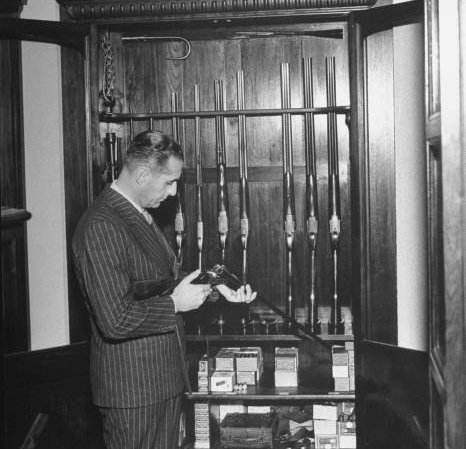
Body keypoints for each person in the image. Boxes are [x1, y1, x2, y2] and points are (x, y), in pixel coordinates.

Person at [72, 130, 256, 449]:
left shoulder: (137, 214)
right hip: (133, 392)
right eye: (169, 182)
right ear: (142, 174)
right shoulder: (102, 225)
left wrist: (214, 286)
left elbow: (158, 280)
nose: (173, 194)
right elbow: (115, 319)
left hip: (161, 382)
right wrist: (174, 305)